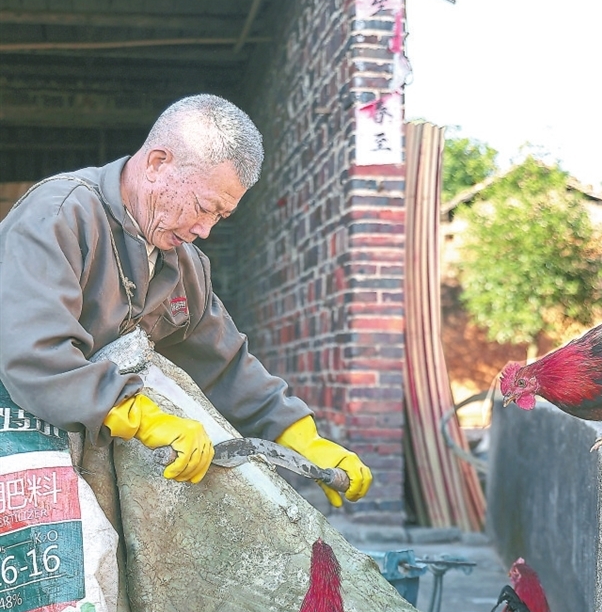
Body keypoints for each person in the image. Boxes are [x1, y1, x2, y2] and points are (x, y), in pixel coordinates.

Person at [0, 94, 372, 507]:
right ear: (158, 164)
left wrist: (301, 437)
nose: (205, 229)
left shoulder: (184, 263)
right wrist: (142, 418)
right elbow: (32, 354)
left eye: (220, 216)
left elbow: (226, 366)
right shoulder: (59, 214)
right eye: (202, 207)